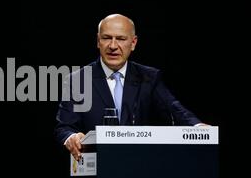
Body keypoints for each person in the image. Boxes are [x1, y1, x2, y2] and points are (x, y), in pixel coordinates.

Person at [55, 14, 204, 161]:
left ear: (133, 43)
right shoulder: (78, 80)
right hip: (96, 171)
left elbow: (174, 109)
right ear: (98, 41)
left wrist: (197, 126)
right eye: (106, 38)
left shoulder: (149, 78)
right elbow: (64, 127)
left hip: (138, 167)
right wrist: (71, 137)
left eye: (120, 39)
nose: (113, 46)